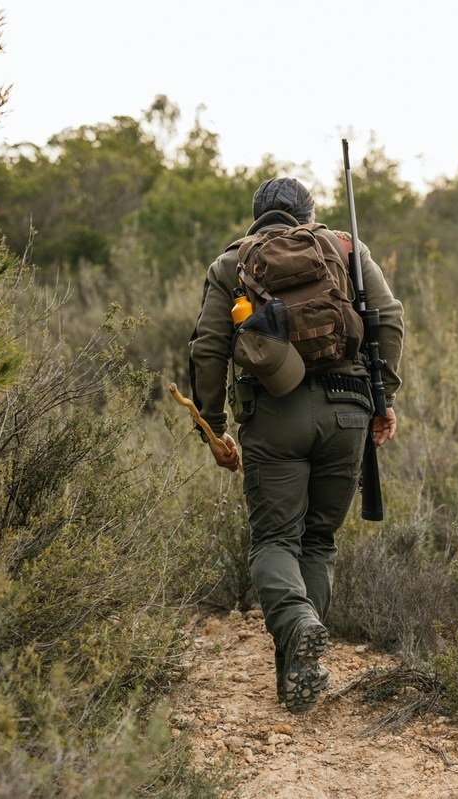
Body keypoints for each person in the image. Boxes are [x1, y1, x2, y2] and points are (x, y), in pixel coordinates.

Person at [187, 176, 404, 713]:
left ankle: (299, 626)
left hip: (275, 416)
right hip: (347, 410)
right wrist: (383, 397)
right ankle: (296, 676)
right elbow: (390, 318)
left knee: (274, 542)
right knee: (317, 543)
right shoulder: (346, 248)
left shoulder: (232, 262)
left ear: (255, 216)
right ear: (309, 214)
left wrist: (213, 426)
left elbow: (209, 348)